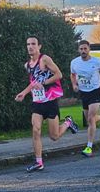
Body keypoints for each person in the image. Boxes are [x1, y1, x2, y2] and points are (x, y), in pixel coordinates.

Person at [15, 36, 78, 172]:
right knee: (36, 129)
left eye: (33, 44)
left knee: (54, 136)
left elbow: (59, 75)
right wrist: (24, 93)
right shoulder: (27, 65)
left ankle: (68, 122)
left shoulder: (44, 59)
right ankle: (39, 162)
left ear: (39, 46)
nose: (30, 46)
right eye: (28, 44)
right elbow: (33, 82)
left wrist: (43, 83)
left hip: (50, 101)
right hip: (37, 102)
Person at [70, 40, 100, 157]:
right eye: (81, 49)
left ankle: (89, 147)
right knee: (89, 120)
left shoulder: (97, 61)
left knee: (90, 118)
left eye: (85, 49)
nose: (83, 51)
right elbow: (72, 74)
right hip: (83, 92)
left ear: (89, 49)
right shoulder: (74, 62)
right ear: (78, 50)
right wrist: (74, 84)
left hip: (95, 92)